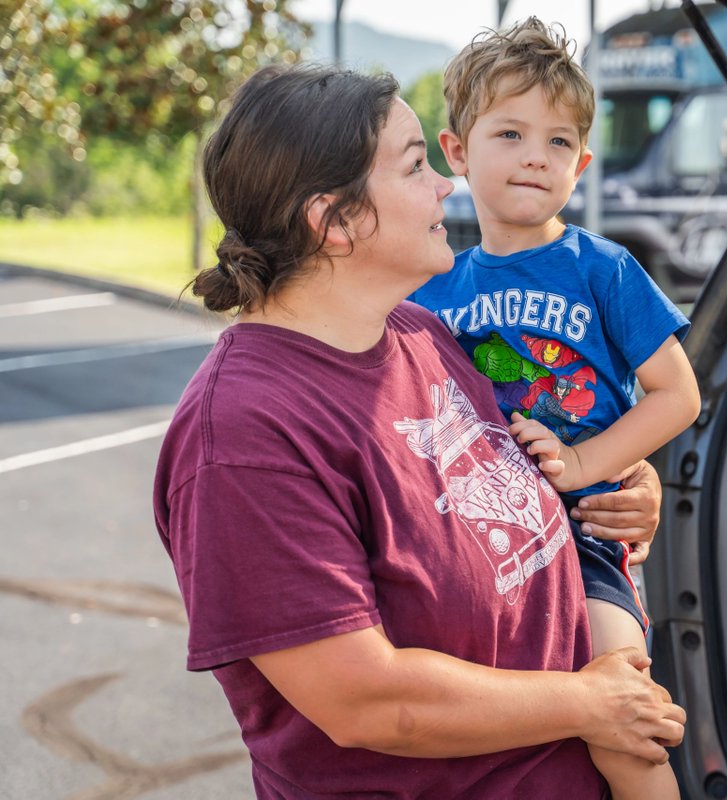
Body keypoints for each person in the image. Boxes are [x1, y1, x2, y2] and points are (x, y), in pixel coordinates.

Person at [151, 63, 685, 799]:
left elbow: (522, 458)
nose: (445, 184)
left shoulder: (421, 332)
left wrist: (620, 479)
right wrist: (591, 704)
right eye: (415, 166)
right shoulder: (243, 438)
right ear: (334, 220)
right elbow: (369, 700)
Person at [410, 19, 700, 799]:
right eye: (510, 132)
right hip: (481, 538)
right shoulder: (434, 292)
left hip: (588, 536)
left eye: (560, 141)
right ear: (458, 151)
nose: (537, 155)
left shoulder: (605, 269)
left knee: (626, 715)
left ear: (584, 162)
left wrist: (586, 465)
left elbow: (679, 394)